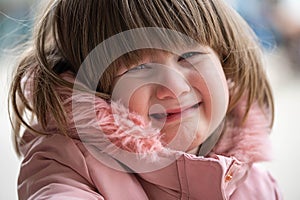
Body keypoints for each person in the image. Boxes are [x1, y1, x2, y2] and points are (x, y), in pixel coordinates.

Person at [9, 0, 282, 199]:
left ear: (223, 60)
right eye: (138, 68)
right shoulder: (68, 163)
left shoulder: (254, 182)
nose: (174, 88)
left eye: (189, 57)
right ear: (94, 89)